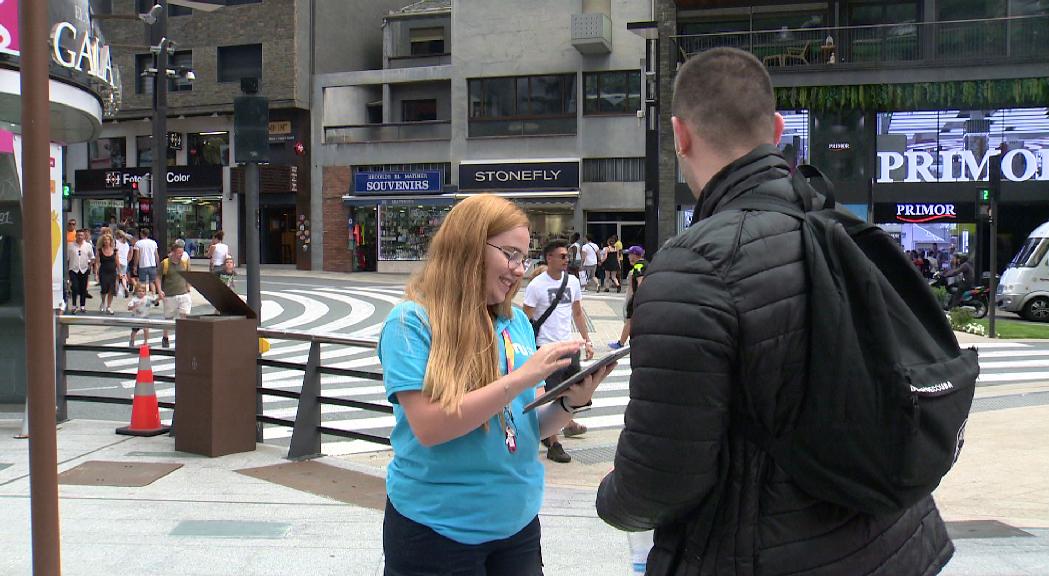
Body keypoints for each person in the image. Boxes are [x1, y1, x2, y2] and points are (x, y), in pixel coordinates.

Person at [595, 47, 952, 575]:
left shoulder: (692, 265)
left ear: (679, 135)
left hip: (761, 554)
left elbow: (661, 480)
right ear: (778, 129)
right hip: (898, 541)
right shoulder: (841, 230)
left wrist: (610, 500)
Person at [376, 194, 614, 575]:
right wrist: (522, 376)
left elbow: (526, 423)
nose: (520, 270)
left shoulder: (515, 322)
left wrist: (570, 403)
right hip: (435, 533)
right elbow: (430, 427)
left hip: (516, 527)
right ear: (469, 247)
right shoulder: (411, 324)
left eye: (524, 257)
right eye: (510, 254)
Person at [523, 239, 594, 464]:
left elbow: (578, 313)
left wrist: (586, 339)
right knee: (550, 394)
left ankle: (567, 423)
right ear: (549, 258)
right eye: (562, 256)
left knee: (572, 390)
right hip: (546, 347)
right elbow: (526, 320)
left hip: (569, 345)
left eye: (567, 256)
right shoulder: (536, 286)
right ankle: (553, 443)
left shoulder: (572, 282)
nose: (567, 259)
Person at [608, 246, 645, 350]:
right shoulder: (646, 264)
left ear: (635, 255)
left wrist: (636, 299)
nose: (628, 257)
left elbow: (640, 283)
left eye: (629, 254)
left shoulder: (639, 267)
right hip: (644, 300)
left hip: (637, 299)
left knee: (629, 321)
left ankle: (621, 343)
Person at [158, 239, 192, 348]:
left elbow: (188, 273)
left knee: (184, 315)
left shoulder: (185, 262)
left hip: (183, 293)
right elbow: (158, 277)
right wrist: (159, 290)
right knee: (168, 318)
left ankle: (183, 337)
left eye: (182, 253)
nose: (180, 255)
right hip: (170, 294)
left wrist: (188, 285)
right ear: (173, 252)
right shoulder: (165, 263)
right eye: (178, 253)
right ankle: (165, 337)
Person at [66, 229, 94, 314]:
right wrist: (67, 269)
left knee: (83, 289)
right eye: (78, 235)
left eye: (81, 235)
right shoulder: (70, 245)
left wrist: (89, 266)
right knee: (74, 287)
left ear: (84, 236)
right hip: (73, 269)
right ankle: (74, 306)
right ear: (75, 236)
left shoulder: (88, 245)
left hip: (84, 269)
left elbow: (92, 257)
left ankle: (82, 306)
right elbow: (67, 259)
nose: (80, 237)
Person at [132, 227, 161, 300]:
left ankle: (143, 296)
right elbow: (156, 254)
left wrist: (135, 266)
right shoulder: (153, 243)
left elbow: (137, 256)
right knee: (152, 281)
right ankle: (154, 295)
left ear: (141, 234)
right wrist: (158, 264)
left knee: (142, 282)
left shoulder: (138, 243)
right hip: (152, 264)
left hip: (143, 265)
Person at [127, 282, 156, 348]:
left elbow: (154, 302)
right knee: (134, 331)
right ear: (136, 292)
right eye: (139, 291)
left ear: (145, 292)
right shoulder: (134, 300)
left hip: (145, 317)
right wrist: (134, 306)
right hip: (136, 318)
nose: (141, 293)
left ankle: (145, 342)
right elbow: (129, 308)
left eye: (143, 291)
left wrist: (159, 298)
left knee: (146, 330)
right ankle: (132, 340)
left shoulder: (147, 298)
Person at [95, 233, 118, 314]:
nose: (106, 241)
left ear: (110, 241)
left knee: (111, 290)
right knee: (104, 289)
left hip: (112, 272)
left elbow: (117, 262)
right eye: (105, 240)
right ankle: (103, 302)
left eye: (108, 240)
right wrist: (96, 273)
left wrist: (121, 273)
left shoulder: (114, 250)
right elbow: (97, 262)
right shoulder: (100, 250)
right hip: (103, 272)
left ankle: (109, 306)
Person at [115, 231, 131, 297]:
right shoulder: (127, 244)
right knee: (123, 276)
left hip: (118, 261)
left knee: (117, 277)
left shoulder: (116, 243)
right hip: (124, 262)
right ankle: (125, 288)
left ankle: (116, 291)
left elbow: (116, 253)